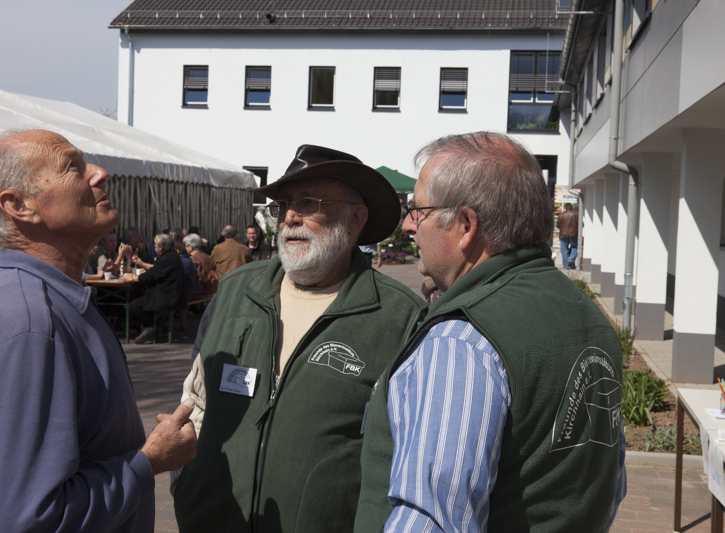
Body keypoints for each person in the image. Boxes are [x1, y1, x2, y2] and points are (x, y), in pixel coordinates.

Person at [355, 132, 626, 533]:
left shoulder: (460, 341)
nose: (409, 224)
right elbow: (608, 486)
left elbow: (432, 521)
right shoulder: (590, 317)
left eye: (419, 210)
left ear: (466, 225)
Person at [172, 144, 427, 533]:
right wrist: (184, 484)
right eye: (283, 205)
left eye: (309, 203)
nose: (289, 217)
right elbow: (195, 398)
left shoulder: (399, 317)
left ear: (355, 218)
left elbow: (404, 454)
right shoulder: (237, 290)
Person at [0, 129, 198, 532]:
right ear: (19, 206)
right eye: (73, 167)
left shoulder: (47, 300)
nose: (100, 173)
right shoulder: (29, 322)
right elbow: (29, 520)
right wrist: (150, 459)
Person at [125, 233, 188, 344]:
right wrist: (143, 264)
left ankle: (151, 326)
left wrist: (133, 278)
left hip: (167, 297)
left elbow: (151, 275)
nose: (154, 246)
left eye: (155, 244)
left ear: (161, 247)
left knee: (134, 306)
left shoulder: (167, 258)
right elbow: (158, 269)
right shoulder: (171, 255)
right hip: (172, 293)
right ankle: (158, 324)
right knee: (141, 295)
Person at [557, 202, 579, 269]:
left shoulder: (561, 215)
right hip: (574, 234)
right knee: (575, 247)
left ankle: (566, 265)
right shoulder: (577, 214)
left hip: (563, 234)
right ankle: (571, 259)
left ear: (565, 208)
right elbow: (581, 224)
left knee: (564, 250)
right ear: (571, 207)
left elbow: (558, 225)